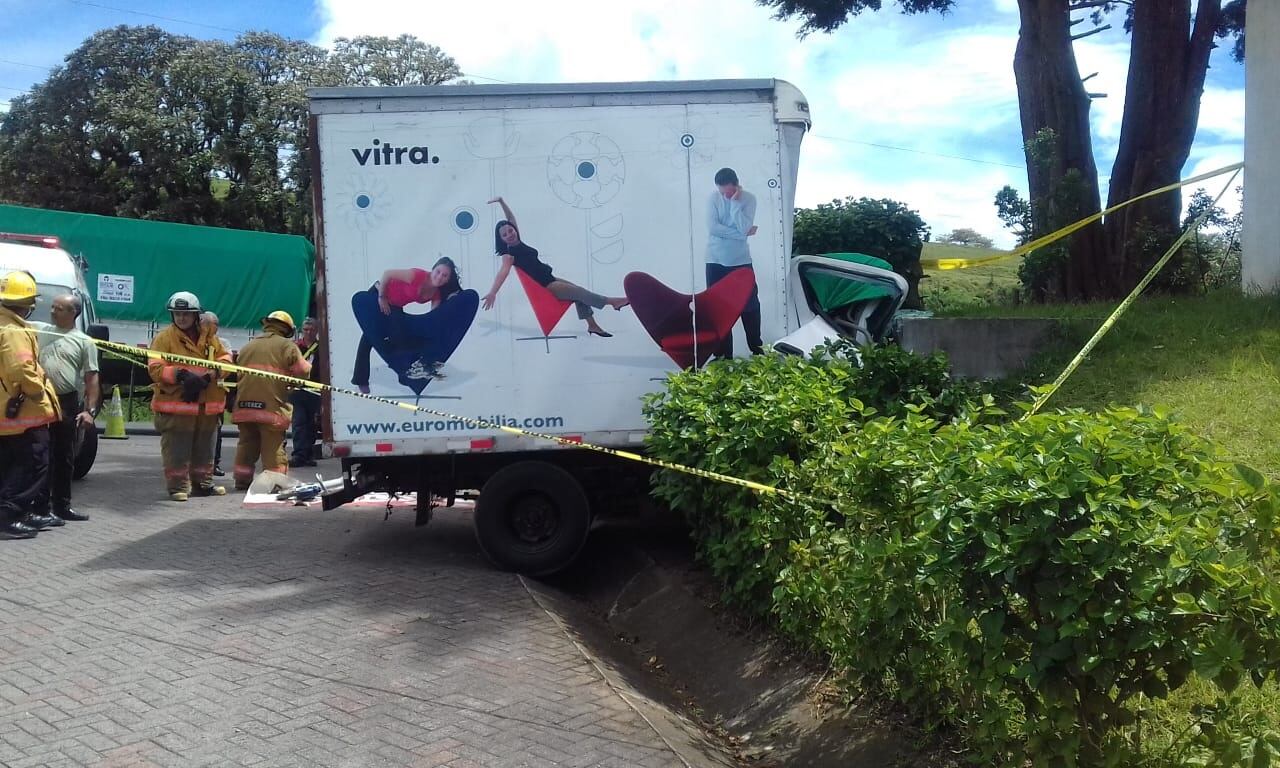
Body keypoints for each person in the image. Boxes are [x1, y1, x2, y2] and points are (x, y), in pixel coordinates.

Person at [482, 196, 629, 336]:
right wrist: (493, 292)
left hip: (551, 278)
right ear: (500, 239)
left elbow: (510, 219)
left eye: (510, 230)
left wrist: (501, 202)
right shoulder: (508, 254)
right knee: (579, 292)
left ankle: (592, 325)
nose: (510, 234)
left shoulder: (517, 240)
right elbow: (503, 272)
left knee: (579, 292)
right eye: (505, 234)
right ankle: (612, 302)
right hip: (546, 287)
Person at [147, 292, 231, 501]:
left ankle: (203, 485)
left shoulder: (210, 337)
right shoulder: (164, 338)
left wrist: (209, 376)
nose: (181, 318)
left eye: (185, 314)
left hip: (206, 405)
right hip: (178, 404)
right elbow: (155, 368)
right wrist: (181, 375)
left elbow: (226, 359)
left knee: (205, 448)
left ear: (195, 315)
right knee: (177, 449)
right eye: (177, 314)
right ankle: (177, 487)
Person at [0, 271, 62, 538]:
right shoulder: (13, 330)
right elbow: (22, 369)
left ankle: (19, 512)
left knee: (18, 463)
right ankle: (8, 516)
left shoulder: (8, 324)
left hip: (14, 412)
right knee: (33, 463)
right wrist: (38, 393)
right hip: (23, 411)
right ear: (28, 303)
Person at [29, 294, 99, 523]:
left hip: (66, 401)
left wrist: (89, 411)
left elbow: (91, 378)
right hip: (39, 399)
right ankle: (39, 507)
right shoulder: (40, 329)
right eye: (52, 307)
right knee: (40, 454)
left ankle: (62, 505)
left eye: (59, 308)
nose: (52, 311)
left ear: (73, 313)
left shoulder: (85, 342)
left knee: (64, 456)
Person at [352, 257, 462, 393]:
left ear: (447, 280)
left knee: (399, 339)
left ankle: (403, 374)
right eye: (438, 271)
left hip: (395, 307)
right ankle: (361, 379)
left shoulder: (436, 294)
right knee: (369, 339)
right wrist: (381, 297)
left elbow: (433, 318)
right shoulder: (417, 275)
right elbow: (387, 274)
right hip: (379, 294)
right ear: (433, 269)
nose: (439, 277)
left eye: (444, 275)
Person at [231, 311, 311, 491]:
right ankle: (276, 483)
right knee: (272, 447)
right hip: (271, 408)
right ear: (287, 329)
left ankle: (242, 480)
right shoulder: (286, 346)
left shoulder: (248, 346)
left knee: (246, 445)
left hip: (244, 406)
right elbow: (304, 371)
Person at [706, 167, 762, 358]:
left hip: (741, 261)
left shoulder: (749, 199)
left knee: (750, 305)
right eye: (722, 192)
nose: (725, 195)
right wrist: (741, 234)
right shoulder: (713, 198)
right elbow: (713, 228)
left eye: (728, 191)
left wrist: (735, 204)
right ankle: (723, 356)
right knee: (718, 308)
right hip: (715, 261)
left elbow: (745, 226)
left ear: (736, 185)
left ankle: (757, 349)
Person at [200, 311, 235, 477]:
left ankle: (214, 464)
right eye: (203, 324)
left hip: (215, 396)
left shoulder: (222, 343)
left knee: (216, 433)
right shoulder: (195, 342)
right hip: (197, 393)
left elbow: (226, 364)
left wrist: (211, 373)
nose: (206, 327)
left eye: (209, 324)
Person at [290, 317, 320, 467]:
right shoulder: (294, 347)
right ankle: (299, 454)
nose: (308, 332)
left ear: (317, 331)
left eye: (312, 330)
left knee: (312, 424)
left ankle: (308, 454)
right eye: (306, 329)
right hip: (297, 390)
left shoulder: (321, 348)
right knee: (299, 422)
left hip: (316, 391)